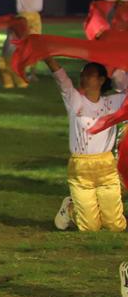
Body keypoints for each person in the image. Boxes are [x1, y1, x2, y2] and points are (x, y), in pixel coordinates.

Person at [46, 58, 127, 234]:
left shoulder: (114, 103)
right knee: (89, 228)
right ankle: (70, 208)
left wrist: (118, 64)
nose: (83, 78)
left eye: (89, 75)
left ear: (101, 80)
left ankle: (91, 208)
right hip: (80, 168)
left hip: (106, 167)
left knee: (116, 226)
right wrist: (46, 55)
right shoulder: (74, 100)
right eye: (82, 75)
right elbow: (61, 77)